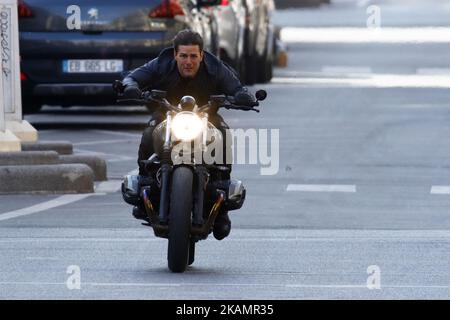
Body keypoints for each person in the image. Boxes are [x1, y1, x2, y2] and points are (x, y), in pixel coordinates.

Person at [121, 29, 255, 240]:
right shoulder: (161, 64)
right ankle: (144, 186)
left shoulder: (215, 67)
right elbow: (133, 77)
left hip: (206, 117)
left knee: (223, 132)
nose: (188, 61)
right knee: (149, 132)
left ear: (202, 55)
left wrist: (243, 96)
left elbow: (236, 86)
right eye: (183, 56)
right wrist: (130, 87)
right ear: (175, 55)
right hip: (167, 116)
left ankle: (222, 209)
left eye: (193, 56)